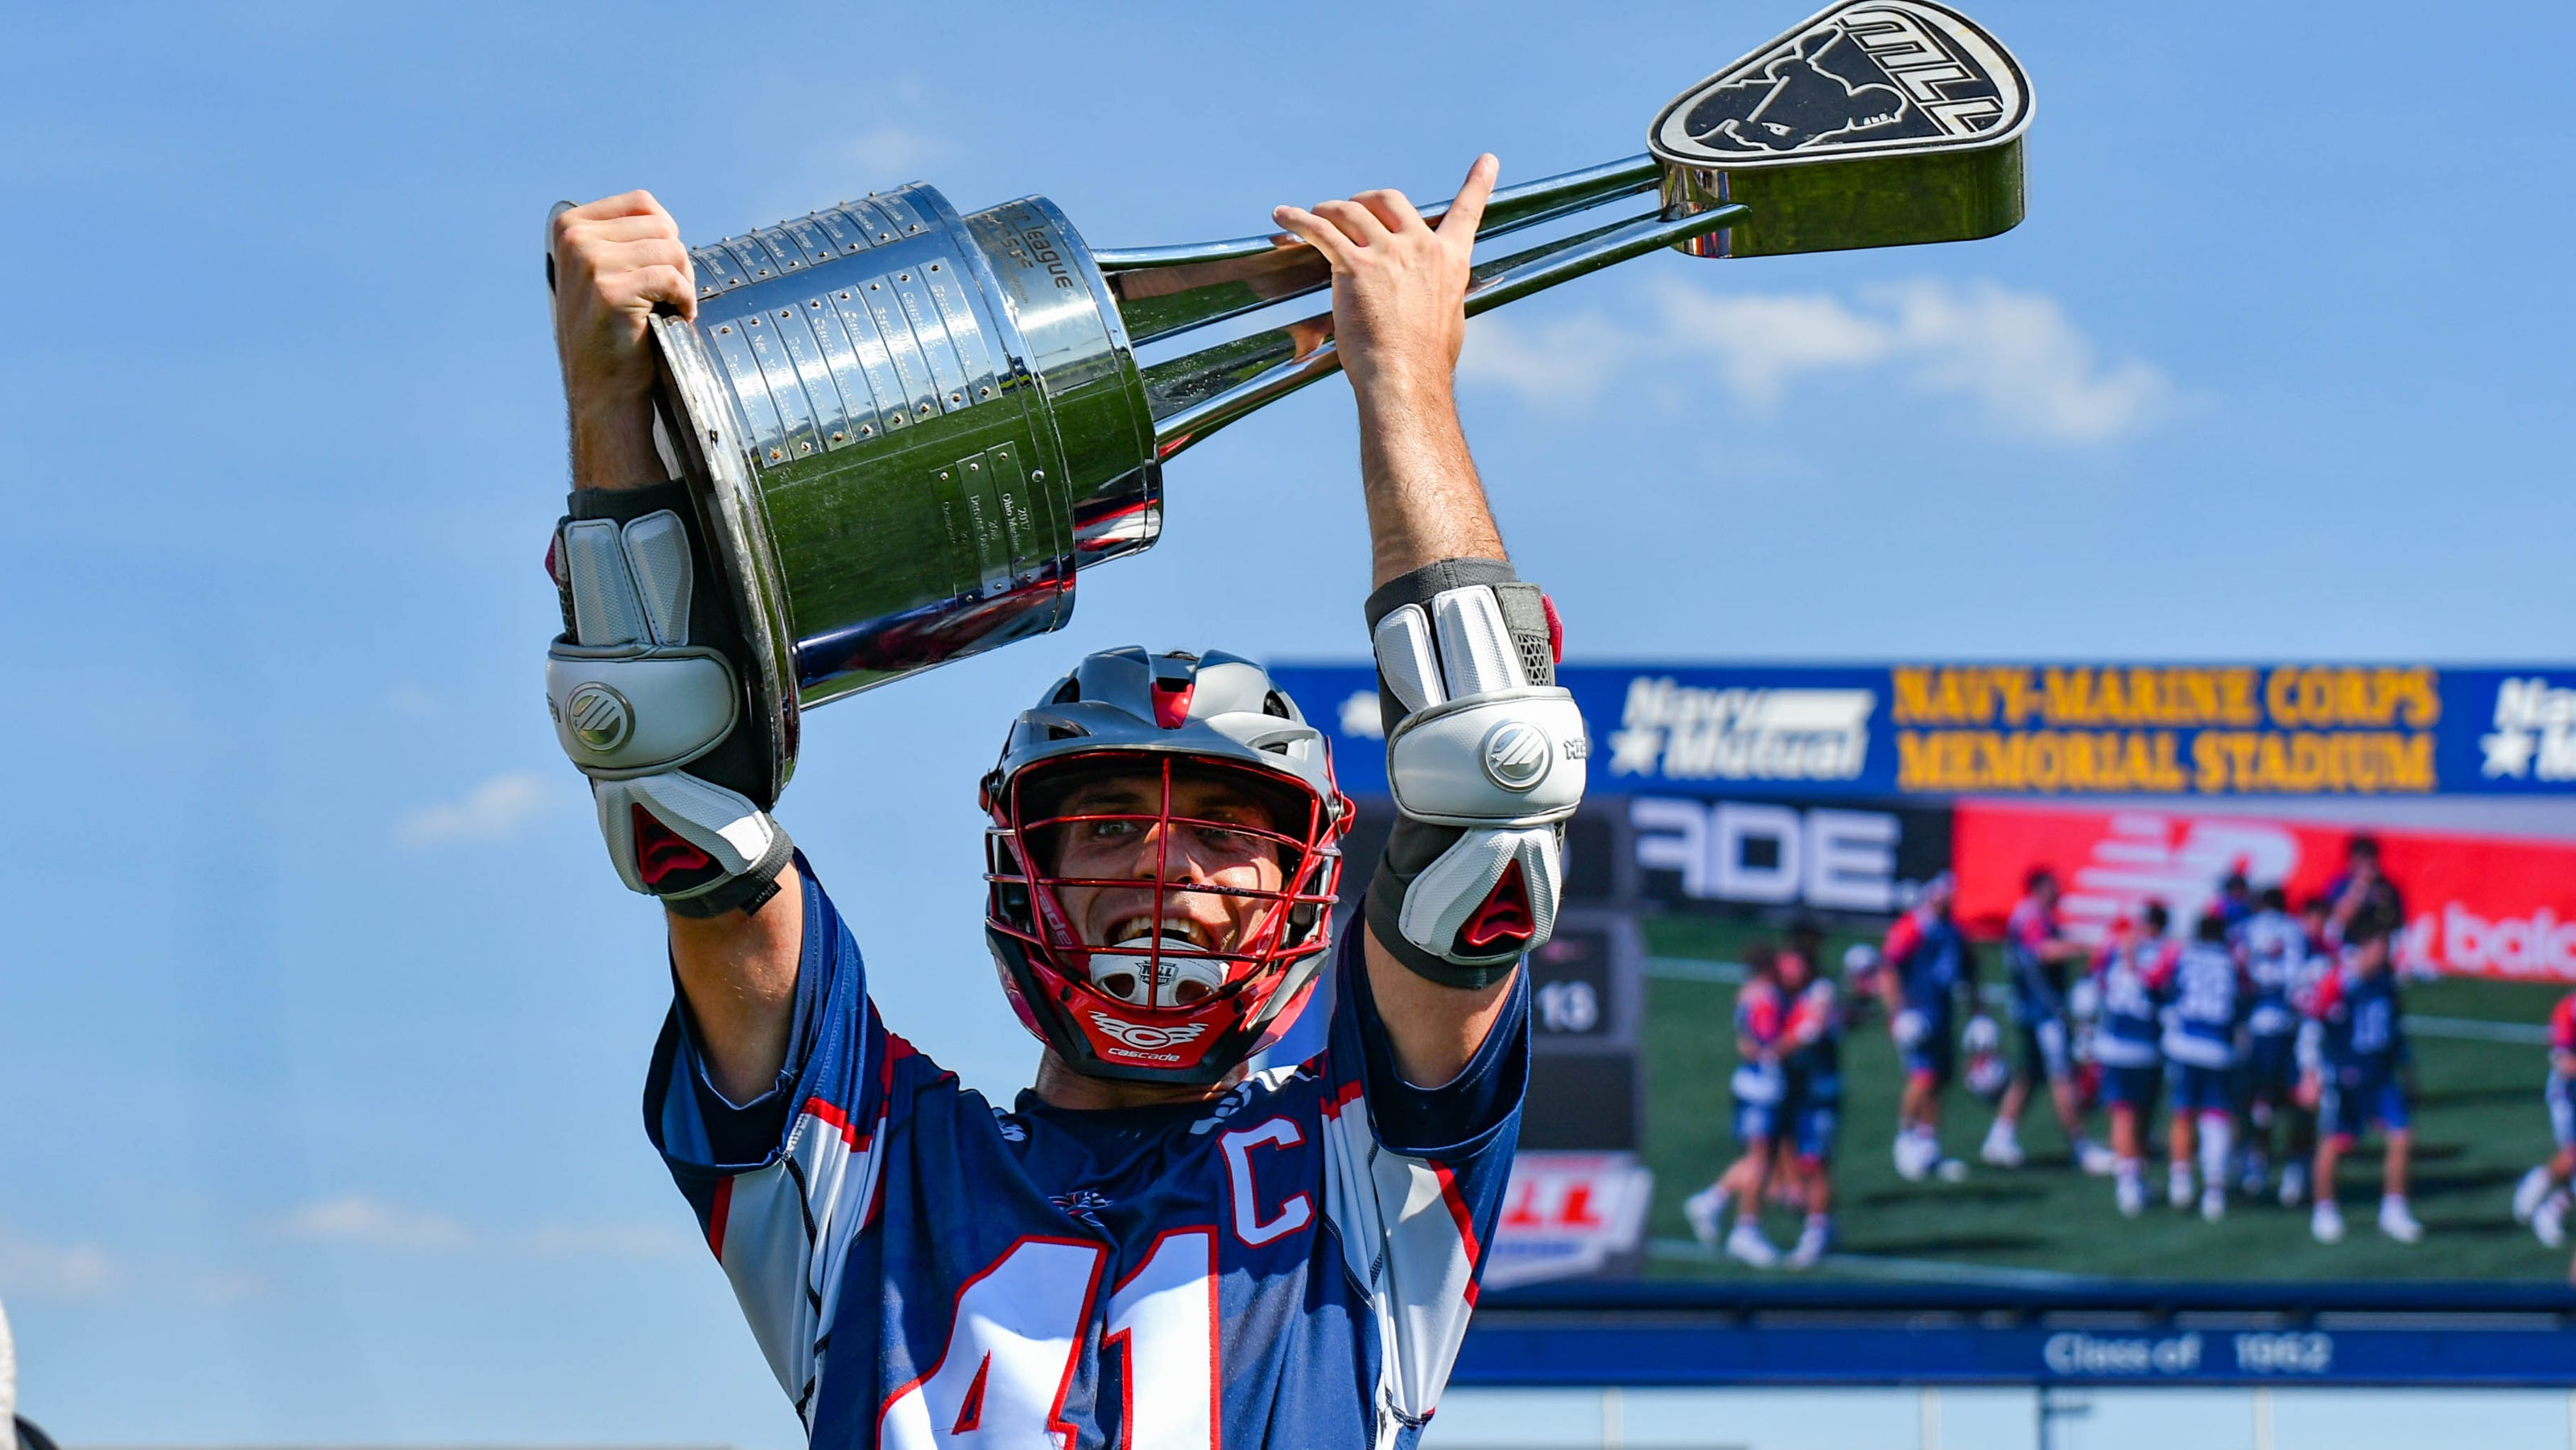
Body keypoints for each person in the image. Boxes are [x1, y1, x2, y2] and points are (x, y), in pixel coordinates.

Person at [546, 157, 1590, 1445]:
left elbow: (1493, 782)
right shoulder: (873, 1167)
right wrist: (609, 403)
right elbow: (678, 797)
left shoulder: (1362, 1172)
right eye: (1107, 826)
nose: (1169, 874)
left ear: (1306, 878)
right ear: (1016, 864)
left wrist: (1406, 383)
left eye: (1221, 829)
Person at [1980, 868, 2116, 1175]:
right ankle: (2079, 1146)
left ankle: (2000, 1137)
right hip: (2042, 1013)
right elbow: (2043, 951)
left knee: (2029, 1076)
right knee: (2061, 1077)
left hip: (2034, 1010)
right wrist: (2081, 947)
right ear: (2040, 888)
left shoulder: (2035, 916)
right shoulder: (2031, 917)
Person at [2305, 921, 2422, 1244]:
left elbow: (2395, 1033)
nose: (2384, 954)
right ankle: (2325, 1209)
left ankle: (2394, 1209)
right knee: (2335, 1143)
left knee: (2402, 1137)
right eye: (2379, 947)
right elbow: (2313, 1027)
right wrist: (2311, 1073)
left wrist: (2408, 1073)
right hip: (2346, 1077)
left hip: (2381, 1076)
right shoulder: (2339, 982)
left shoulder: (2386, 983)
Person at [1686, 944, 1794, 1266]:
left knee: (1758, 1158)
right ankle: (1745, 1229)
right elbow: (1764, 1046)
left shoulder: (1753, 995)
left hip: (1756, 1087)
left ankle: (1711, 1202)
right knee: (1760, 1162)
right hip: (1761, 1089)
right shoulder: (1764, 998)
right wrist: (1800, 1032)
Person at [1880, 873, 1979, 1183]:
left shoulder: (1953, 931)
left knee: (1940, 1081)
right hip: (1917, 1016)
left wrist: (1979, 1014)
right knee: (1922, 1077)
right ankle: (1905, 1137)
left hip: (1942, 1013)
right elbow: (1889, 970)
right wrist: (1898, 1013)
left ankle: (1928, 1144)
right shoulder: (1912, 927)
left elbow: (1968, 971)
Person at [2162, 912, 2250, 1221]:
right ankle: (2214, 1189)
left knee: (2183, 1112)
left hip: (2186, 1044)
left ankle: (2181, 1178)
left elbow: (2166, 990)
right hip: (2218, 1048)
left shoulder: (2184, 956)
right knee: (2216, 1118)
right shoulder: (2232, 962)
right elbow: (2243, 1002)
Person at [2091, 903, 2176, 1217]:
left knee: (2125, 1114)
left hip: (2114, 1042)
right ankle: (2129, 1183)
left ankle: (2131, 1179)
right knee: (2135, 1114)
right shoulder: (2167, 953)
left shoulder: (2114, 947)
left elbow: (2095, 984)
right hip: (2143, 1043)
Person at [2235, 885, 2306, 1197]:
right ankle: (2295, 1169)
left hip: (2258, 1026)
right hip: (2292, 1027)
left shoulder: (2244, 930)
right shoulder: (2297, 931)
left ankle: (2257, 1165)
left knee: (2258, 1102)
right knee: (2294, 1102)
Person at [2512, 989, 2576, 1247]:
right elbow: (2566, 1065)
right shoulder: (2567, 1011)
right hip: (2569, 1096)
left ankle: (2552, 1210)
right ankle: (2540, 1182)